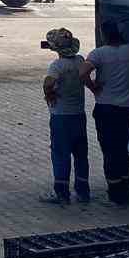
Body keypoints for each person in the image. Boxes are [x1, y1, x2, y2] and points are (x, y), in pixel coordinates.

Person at [84, 20, 129, 204]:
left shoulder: (99, 54)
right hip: (126, 109)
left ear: (104, 34)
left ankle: (115, 194)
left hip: (106, 108)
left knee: (109, 150)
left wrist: (93, 87)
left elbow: (83, 72)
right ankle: (126, 190)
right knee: (122, 148)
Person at [42, 27, 90, 204]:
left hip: (61, 116)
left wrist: (49, 94)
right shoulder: (79, 61)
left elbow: (48, 83)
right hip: (78, 114)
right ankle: (83, 191)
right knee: (80, 154)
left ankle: (61, 192)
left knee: (60, 153)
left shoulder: (57, 66)